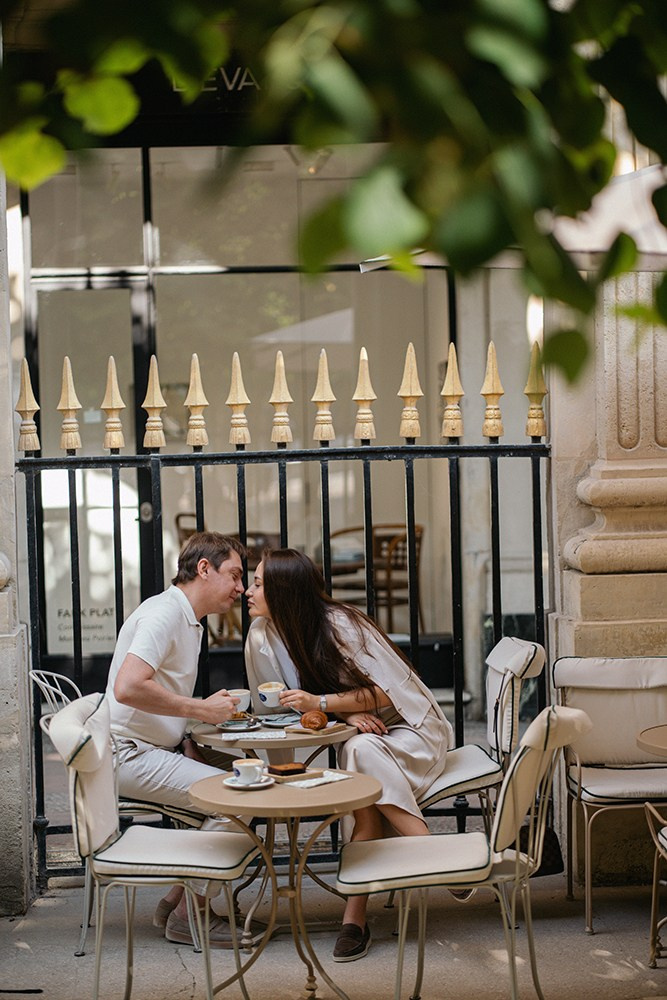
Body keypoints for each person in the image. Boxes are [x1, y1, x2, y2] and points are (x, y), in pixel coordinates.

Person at [244, 547, 454, 963]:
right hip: (365, 737)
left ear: (284, 592)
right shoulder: (261, 636)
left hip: (411, 731)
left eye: (257, 583)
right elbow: (278, 708)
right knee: (361, 769)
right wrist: (343, 712)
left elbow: (389, 692)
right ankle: (437, 865)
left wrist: (325, 703)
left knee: (360, 756)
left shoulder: (341, 624)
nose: (247, 592)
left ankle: (367, 910)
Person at [106, 530, 246, 948]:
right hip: (126, 754)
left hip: (149, 748)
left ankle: (176, 899)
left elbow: (157, 691)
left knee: (253, 776)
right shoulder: (165, 614)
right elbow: (128, 687)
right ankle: (190, 913)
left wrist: (185, 739)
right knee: (239, 796)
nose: (240, 588)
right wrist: (200, 710)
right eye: (235, 575)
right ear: (204, 569)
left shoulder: (187, 618)